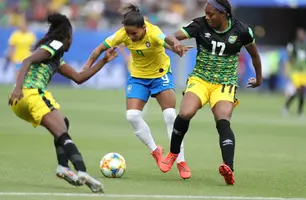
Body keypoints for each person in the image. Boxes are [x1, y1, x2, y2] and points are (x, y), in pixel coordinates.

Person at [8, 13, 117, 193]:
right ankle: (82, 171)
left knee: (62, 124)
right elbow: (27, 60)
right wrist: (18, 88)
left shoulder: (56, 57)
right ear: (67, 36)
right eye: (71, 37)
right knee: (63, 134)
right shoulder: (55, 45)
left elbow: (79, 78)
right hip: (31, 94)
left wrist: (103, 61)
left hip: (20, 104)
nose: (71, 41)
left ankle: (63, 167)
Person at [82, 4, 192, 179]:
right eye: (128, 33)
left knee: (171, 115)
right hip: (138, 78)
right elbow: (99, 49)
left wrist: (177, 46)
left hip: (160, 75)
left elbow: (168, 41)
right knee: (132, 116)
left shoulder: (153, 32)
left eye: (134, 33)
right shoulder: (123, 34)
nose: (131, 37)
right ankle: (155, 150)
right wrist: (85, 68)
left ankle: (181, 161)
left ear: (143, 27)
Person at [159, 0, 262, 185]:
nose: (207, 17)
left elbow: (254, 55)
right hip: (200, 79)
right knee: (185, 113)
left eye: (211, 14)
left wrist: (259, 79)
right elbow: (170, 37)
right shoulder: (200, 24)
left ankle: (228, 167)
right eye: (206, 13)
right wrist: (177, 45)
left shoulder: (242, 31)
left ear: (224, 14)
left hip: (224, 83)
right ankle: (173, 153)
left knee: (223, 120)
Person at [283, 28, 306, 117]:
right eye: (300, 34)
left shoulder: (304, 45)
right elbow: (289, 58)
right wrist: (287, 69)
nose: (302, 36)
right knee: (299, 90)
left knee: (302, 91)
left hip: (304, 71)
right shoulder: (294, 45)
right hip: (296, 71)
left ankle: (298, 111)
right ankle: (287, 107)